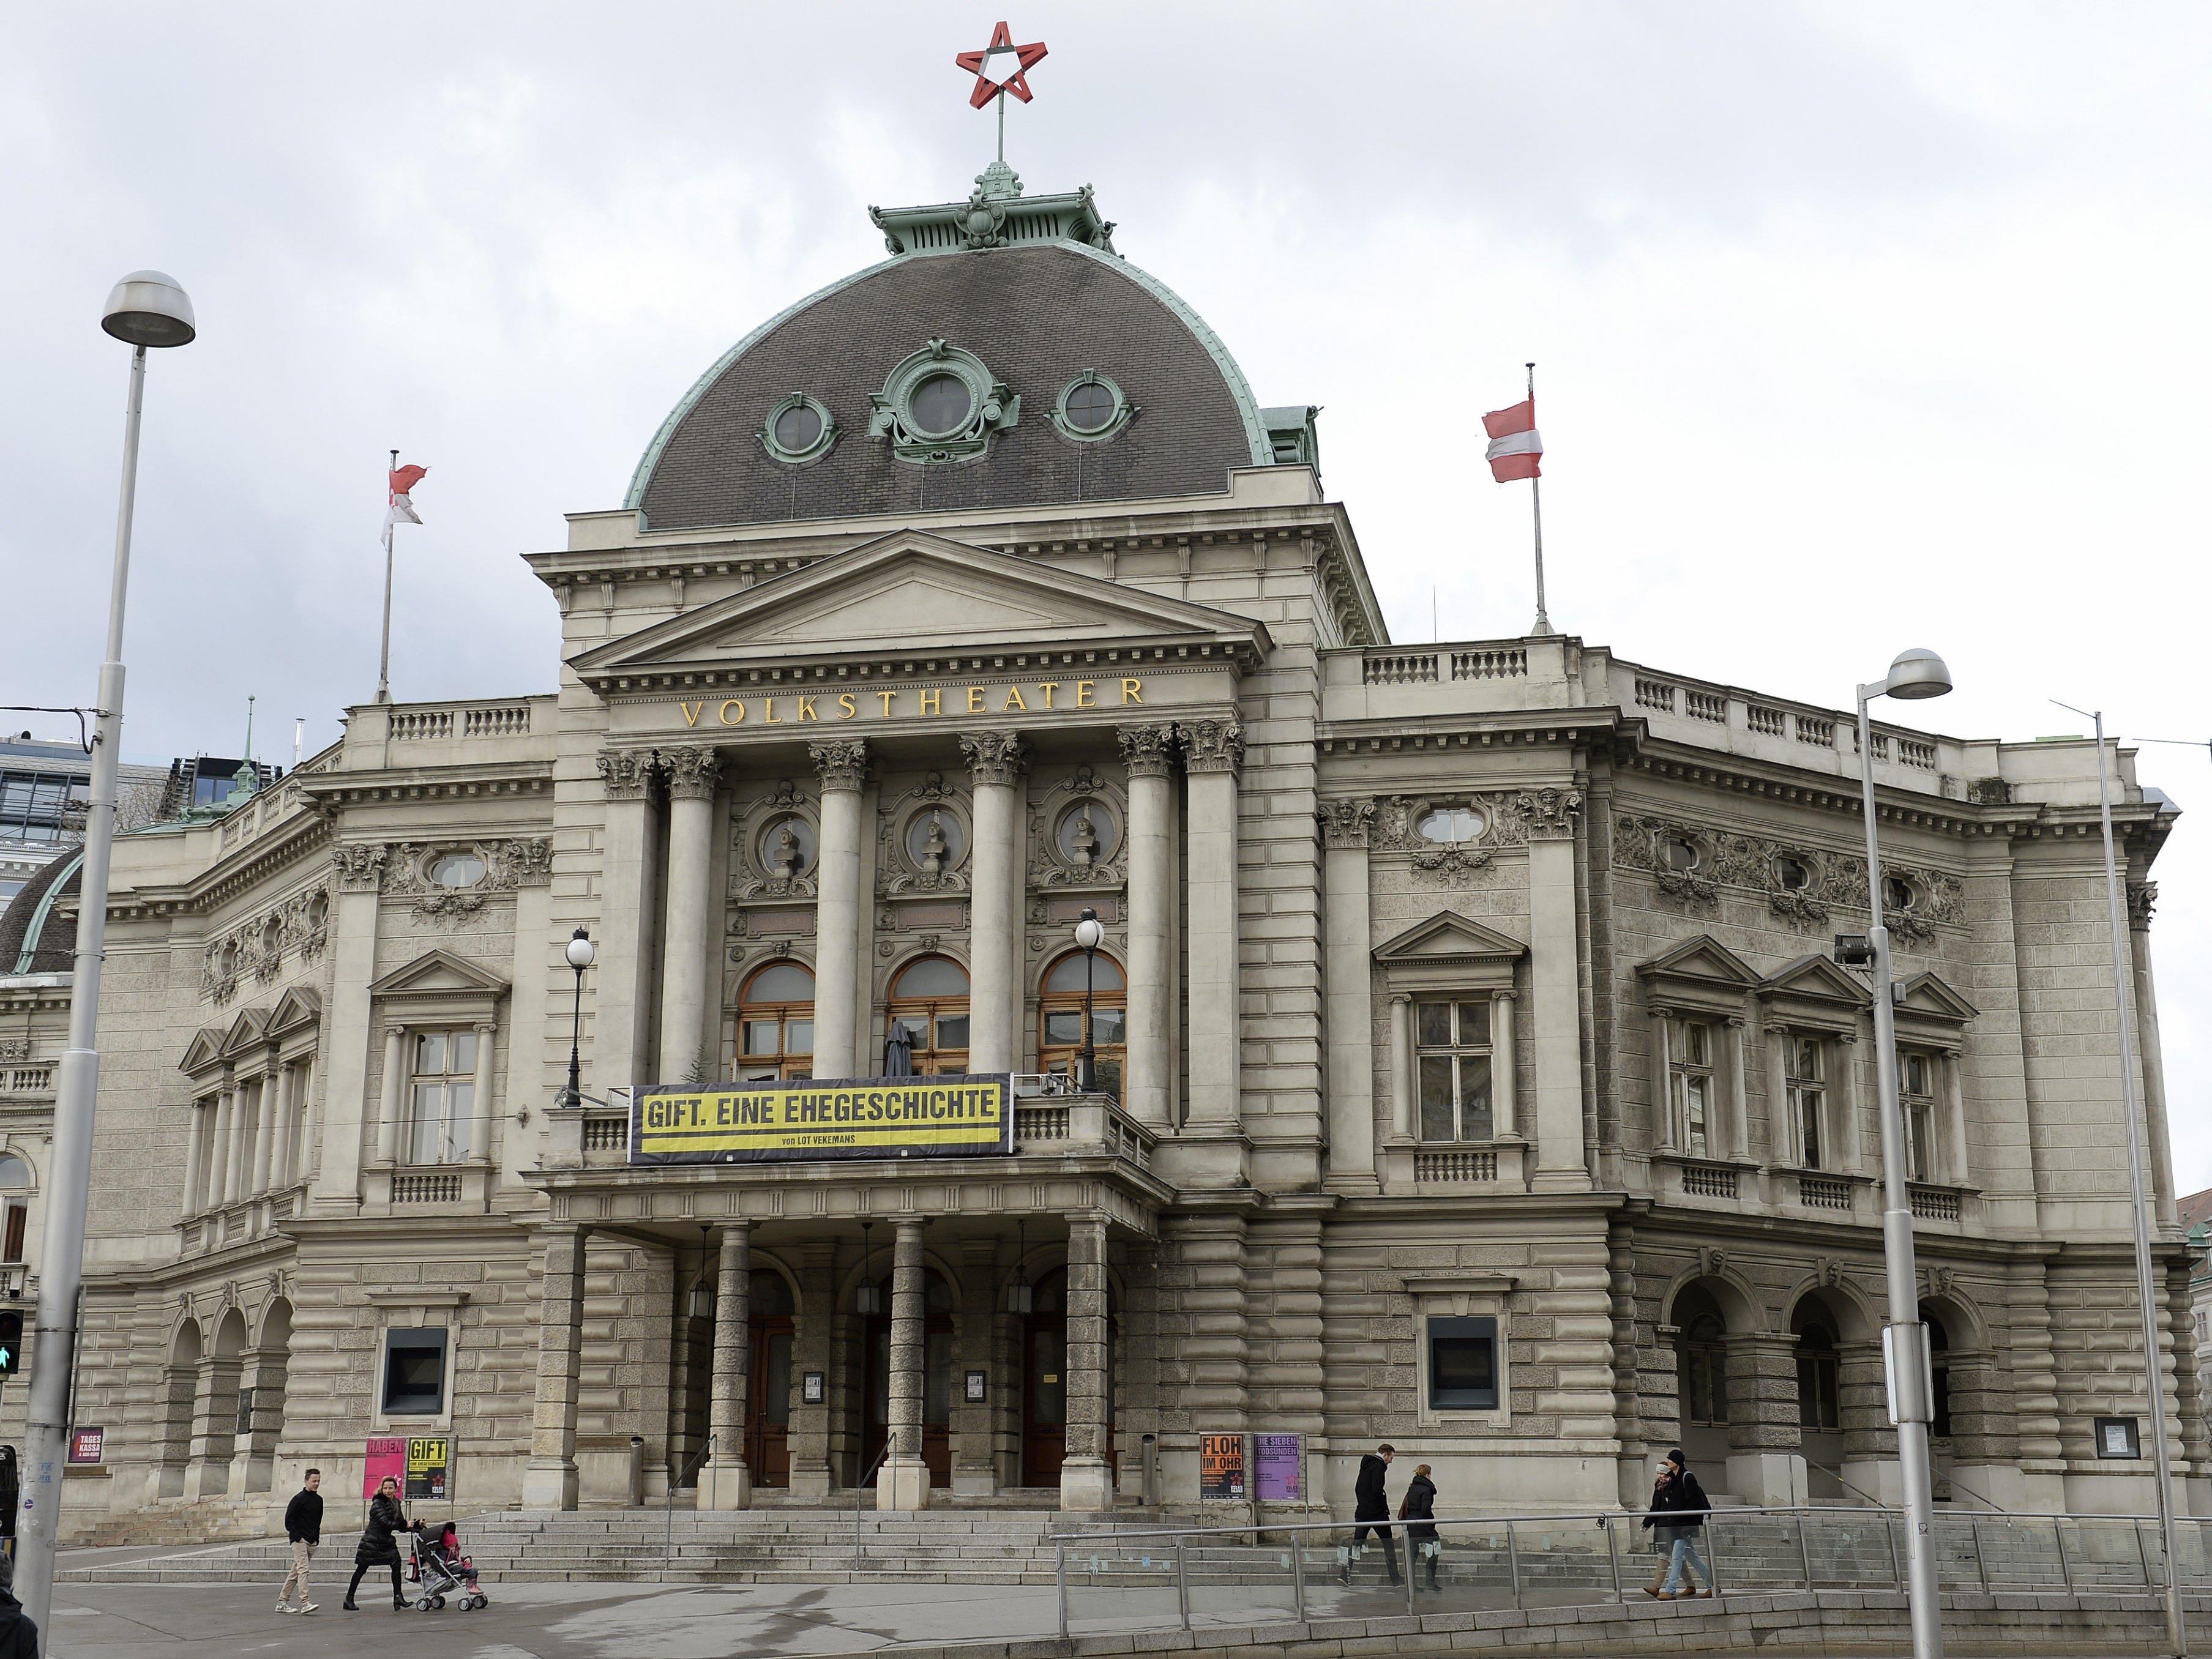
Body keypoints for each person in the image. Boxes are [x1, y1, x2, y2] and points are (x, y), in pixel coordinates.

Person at [1639, 1448, 1713, 1598]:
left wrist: (1681, 1518)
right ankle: (1713, 1585)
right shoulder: (1673, 1479)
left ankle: (1670, 1590)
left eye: (1670, 1459)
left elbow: (1694, 1502)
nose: (1668, 1461)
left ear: (1677, 1461)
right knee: (1692, 1557)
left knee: (1677, 1556)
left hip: (1685, 1525)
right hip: (1676, 1526)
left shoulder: (1688, 1477)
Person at [343, 1476, 410, 1611]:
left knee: (396, 1563)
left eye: (391, 1488)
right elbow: (385, 1522)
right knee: (362, 1569)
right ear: (381, 1489)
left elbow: (400, 1523)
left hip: (385, 1541)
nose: (388, 1491)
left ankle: (398, 1596)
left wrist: (413, 1525)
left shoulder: (396, 1502)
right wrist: (402, 1524)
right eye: (385, 1488)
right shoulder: (378, 1503)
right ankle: (349, 1598)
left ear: (395, 1489)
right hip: (372, 1542)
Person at [1340, 1442, 1400, 1586]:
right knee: (1388, 1545)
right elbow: (1377, 1490)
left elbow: (1358, 1489)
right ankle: (1396, 1579)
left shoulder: (1366, 1466)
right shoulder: (1378, 1467)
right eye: (1391, 1458)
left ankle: (1344, 1574)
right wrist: (1383, 1508)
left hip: (1363, 1512)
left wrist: (1364, 1504)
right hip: (1377, 1514)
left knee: (1357, 1544)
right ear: (1385, 1454)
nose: (1391, 1461)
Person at [275, 1467, 324, 1614]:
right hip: (299, 1539)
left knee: (295, 1572)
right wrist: (297, 1536)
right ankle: (305, 1602)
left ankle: (282, 1601)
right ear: (306, 1481)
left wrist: (316, 1538)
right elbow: (289, 1520)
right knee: (303, 1569)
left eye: (318, 1481)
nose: (316, 1484)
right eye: (314, 1481)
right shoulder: (298, 1499)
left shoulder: (319, 1500)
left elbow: (317, 1521)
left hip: (312, 1540)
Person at [1400, 1462, 1441, 1592]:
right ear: (1428, 1475)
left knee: (1412, 1554)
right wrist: (1431, 1522)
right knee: (1435, 1545)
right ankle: (1429, 1581)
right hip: (1423, 1525)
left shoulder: (1412, 1488)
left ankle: (1411, 1584)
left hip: (1411, 1524)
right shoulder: (1427, 1490)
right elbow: (1426, 1510)